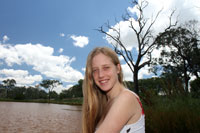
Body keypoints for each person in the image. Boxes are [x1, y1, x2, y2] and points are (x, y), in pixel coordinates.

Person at [82, 47, 145, 133]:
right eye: (95, 70)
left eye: (106, 68)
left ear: (118, 68)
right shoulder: (105, 103)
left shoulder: (126, 98)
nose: (100, 75)